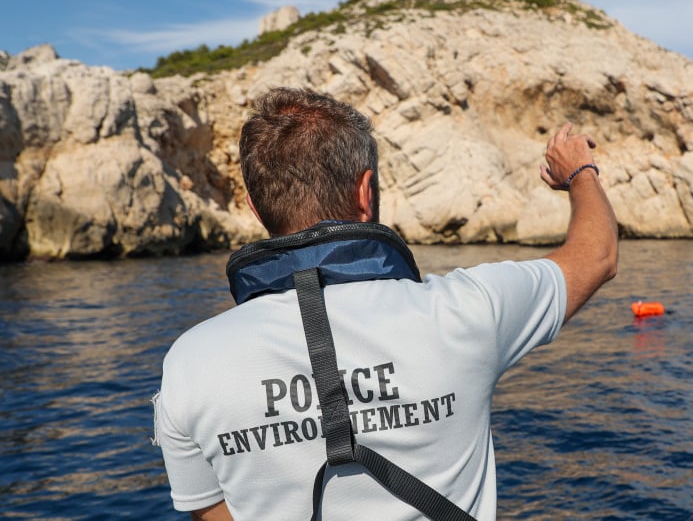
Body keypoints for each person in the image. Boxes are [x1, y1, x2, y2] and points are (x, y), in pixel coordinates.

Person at [153, 87, 618, 520]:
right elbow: (596, 256)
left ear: (256, 209)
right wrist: (579, 172)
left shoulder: (189, 363)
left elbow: (211, 512)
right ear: (366, 191)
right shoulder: (468, 309)